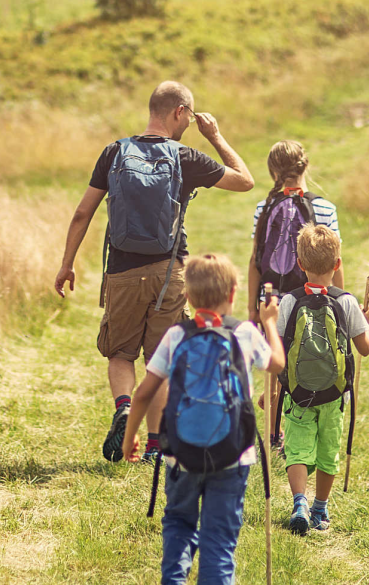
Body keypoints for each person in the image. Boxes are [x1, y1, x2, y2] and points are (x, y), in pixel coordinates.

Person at [54, 81, 255, 463]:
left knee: (120, 352)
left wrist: (67, 264)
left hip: (122, 272)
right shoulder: (184, 156)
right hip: (169, 273)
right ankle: (153, 446)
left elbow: (83, 212)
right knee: (160, 357)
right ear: (180, 112)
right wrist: (215, 136)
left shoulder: (114, 152)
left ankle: (125, 406)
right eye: (190, 117)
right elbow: (244, 180)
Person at [121, 254, 285, 585]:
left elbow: (142, 394)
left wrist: (130, 437)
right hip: (233, 454)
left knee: (179, 523)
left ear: (187, 296)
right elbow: (277, 365)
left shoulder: (176, 335)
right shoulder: (245, 333)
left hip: (180, 453)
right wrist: (269, 322)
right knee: (220, 539)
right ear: (233, 293)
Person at [269, 224, 369, 535]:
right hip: (333, 395)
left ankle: (299, 501)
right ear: (337, 264)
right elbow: (364, 349)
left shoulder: (289, 301)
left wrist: (273, 390)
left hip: (298, 393)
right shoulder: (346, 302)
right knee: (328, 452)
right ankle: (320, 509)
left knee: (298, 449)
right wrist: (366, 324)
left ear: (300, 265)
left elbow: (278, 347)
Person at [248, 140, 344, 451]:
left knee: (275, 365)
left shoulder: (264, 208)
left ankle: (275, 437)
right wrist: (340, 299)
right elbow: (334, 260)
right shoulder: (325, 208)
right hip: (309, 297)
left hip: (272, 299)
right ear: (306, 166)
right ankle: (300, 426)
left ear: (272, 170)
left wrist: (253, 308)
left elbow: (255, 261)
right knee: (302, 360)